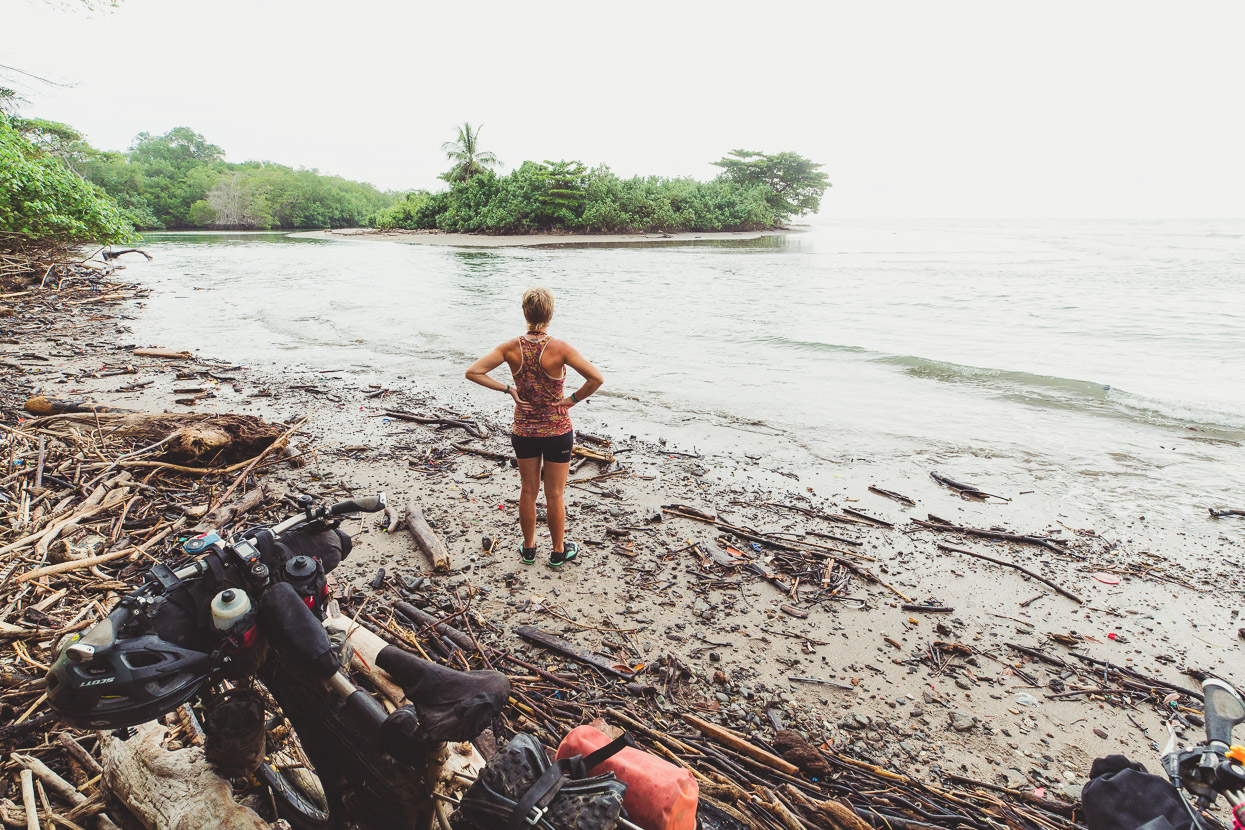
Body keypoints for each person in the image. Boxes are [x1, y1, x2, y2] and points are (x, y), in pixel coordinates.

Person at [465, 287, 604, 568]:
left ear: (525, 312)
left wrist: (509, 389)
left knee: (528, 491)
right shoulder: (560, 348)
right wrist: (571, 400)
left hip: (524, 430)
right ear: (550, 314)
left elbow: (473, 372)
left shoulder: (509, 347)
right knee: (555, 494)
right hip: (557, 430)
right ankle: (557, 553)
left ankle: (528, 550)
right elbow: (596, 378)